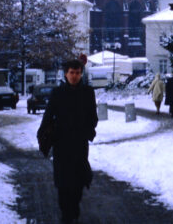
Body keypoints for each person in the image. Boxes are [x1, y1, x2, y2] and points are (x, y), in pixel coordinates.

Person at [38, 58, 98, 224]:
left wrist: (87, 130)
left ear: (81, 74)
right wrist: (44, 135)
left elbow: (93, 117)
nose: (74, 76)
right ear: (66, 74)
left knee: (78, 181)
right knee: (63, 182)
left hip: (79, 144)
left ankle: (74, 207)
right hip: (62, 144)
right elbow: (48, 116)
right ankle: (66, 214)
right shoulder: (57, 93)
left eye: (77, 73)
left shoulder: (87, 92)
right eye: (71, 73)